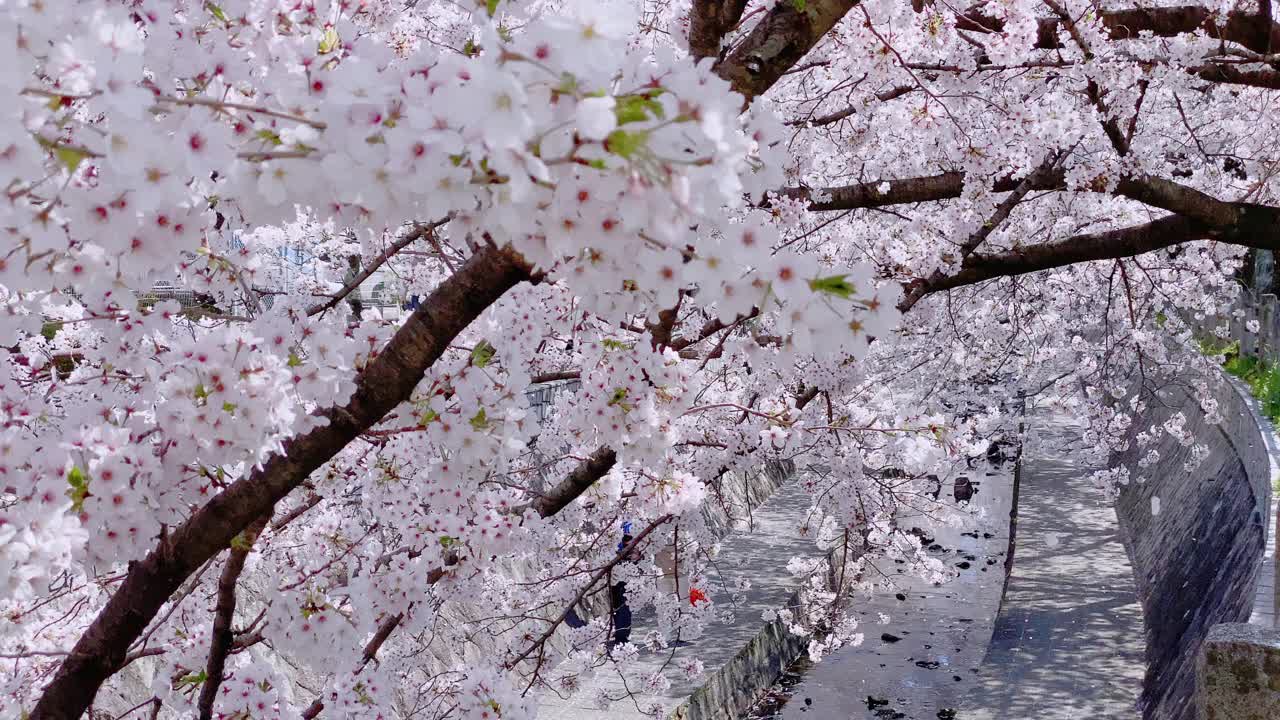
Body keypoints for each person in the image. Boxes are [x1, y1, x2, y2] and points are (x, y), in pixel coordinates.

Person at [343, 254, 364, 321]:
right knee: (355, 305)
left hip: (352, 295)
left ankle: (357, 316)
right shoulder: (348, 270)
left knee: (355, 305)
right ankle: (357, 316)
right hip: (351, 295)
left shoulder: (352, 270)